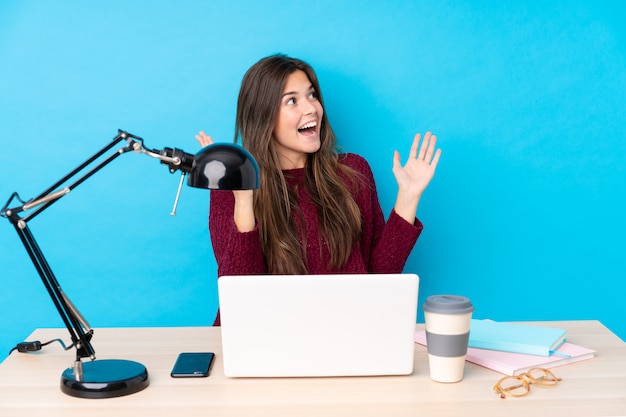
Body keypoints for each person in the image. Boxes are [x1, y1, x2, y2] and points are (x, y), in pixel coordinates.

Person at [196, 54, 441, 325]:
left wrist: (407, 198)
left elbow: (379, 279)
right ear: (263, 115)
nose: (311, 108)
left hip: (345, 334)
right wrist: (244, 202)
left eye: (312, 96)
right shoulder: (232, 186)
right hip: (264, 340)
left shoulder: (353, 173)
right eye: (292, 100)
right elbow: (240, 300)